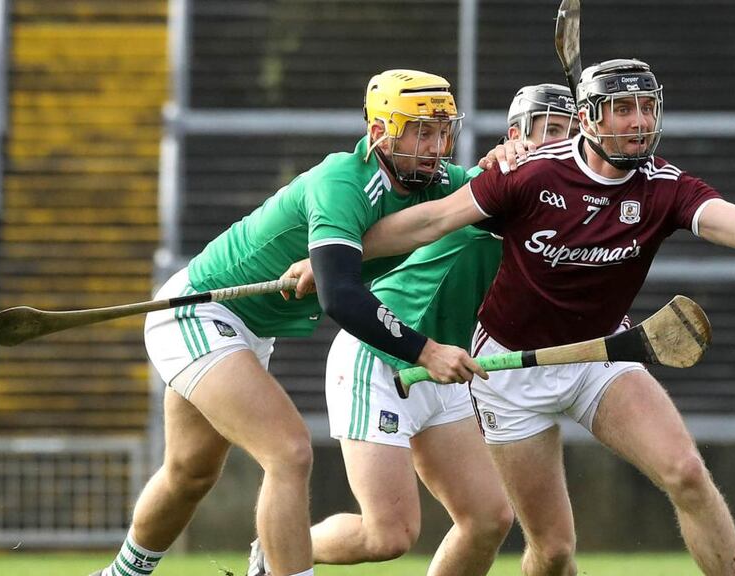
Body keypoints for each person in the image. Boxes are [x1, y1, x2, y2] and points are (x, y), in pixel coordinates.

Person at [360, 59, 735, 576]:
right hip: (509, 371)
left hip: (601, 354)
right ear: (590, 116)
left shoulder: (663, 187)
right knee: (552, 553)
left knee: (687, 474)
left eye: (647, 107)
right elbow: (429, 221)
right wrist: (336, 255)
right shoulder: (530, 175)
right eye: (624, 108)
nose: (640, 121)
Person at [91, 69, 509, 576]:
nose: (435, 145)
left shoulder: (438, 181)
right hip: (200, 310)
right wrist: (427, 352)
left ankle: (118, 575)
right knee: (288, 453)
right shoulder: (342, 180)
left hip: (248, 328)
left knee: (190, 473)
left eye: (443, 131)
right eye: (420, 131)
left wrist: (511, 165)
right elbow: (341, 297)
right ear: (379, 133)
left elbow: (500, 205)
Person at [246, 83, 581, 576]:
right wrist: (330, 258)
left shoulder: (577, 212)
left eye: (571, 136)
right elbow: (422, 221)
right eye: (550, 131)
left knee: (488, 519)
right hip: (381, 355)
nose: (559, 144)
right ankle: (280, 548)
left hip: (443, 364)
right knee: (388, 535)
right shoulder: (498, 183)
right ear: (517, 136)